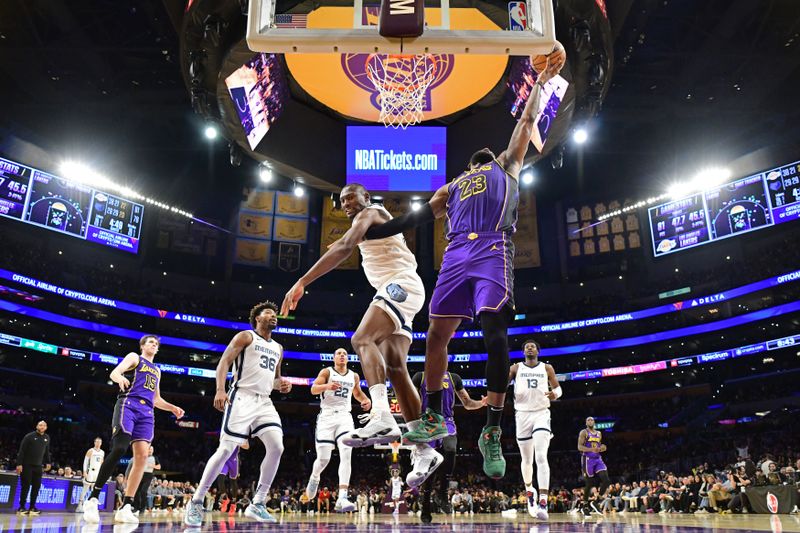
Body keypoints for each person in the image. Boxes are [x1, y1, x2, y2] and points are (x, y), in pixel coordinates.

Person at [361, 52, 566, 480]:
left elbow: (526, 124)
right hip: (455, 253)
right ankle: (432, 413)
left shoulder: (506, 165)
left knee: (495, 331)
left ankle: (491, 429)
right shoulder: (452, 186)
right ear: (473, 165)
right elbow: (416, 217)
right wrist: (380, 230)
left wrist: (543, 82)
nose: (485, 158)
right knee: (436, 337)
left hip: (492, 249)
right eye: (482, 157)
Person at [281, 183, 441, 485]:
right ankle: (423, 449)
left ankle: (382, 415)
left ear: (366, 198)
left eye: (350, 197)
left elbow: (344, 248)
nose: (345, 203)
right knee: (395, 367)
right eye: (341, 200)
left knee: (360, 339)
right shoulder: (365, 222)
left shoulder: (370, 212)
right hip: (406, 290)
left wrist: (302, 281)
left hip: (400, 285)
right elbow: (345, 242)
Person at [184, 301, 292, 526]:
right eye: (268, 313)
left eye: (275, 314)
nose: (274, 316)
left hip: (264, 401)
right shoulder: (246, 336)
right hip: (242, 396)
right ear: (257, 318)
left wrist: (282, 385)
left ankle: (258, 503)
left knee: (277, 446)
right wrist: (221, 389)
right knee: (225, 449)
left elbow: (274, 381)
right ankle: (196, 501)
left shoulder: (279, 348)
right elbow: (224, 362)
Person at [83, 335, 184, 524]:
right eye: (150, 342)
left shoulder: (157, 370)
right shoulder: (135, 358)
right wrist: (120, 377)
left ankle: (126, 506)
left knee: (143, 457)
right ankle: (92, 498)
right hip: (128, 405)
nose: (154, 345)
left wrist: (172, 408)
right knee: (120, 448)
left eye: (156, 344)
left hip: (147, 412)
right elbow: (114, 373)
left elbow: (156, 399)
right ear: (143, 346)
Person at [305, 348, 371, 512]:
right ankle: (315, 477)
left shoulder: (353, 376)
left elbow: (358, 393)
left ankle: (342, 497)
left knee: (347, 452)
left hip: (344, 417)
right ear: (334, 358)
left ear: (347, 359)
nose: (342, 355)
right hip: (326, 417)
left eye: (345, 354)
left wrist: (366, 400)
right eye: (339, 353)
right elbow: (313, 389)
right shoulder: (327, 371)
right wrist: (327, 386)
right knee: (324, 459)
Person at [412, 370, 485, 520]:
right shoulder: (420, 376)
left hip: (447, 421)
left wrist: (482, 403)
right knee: (430, 468)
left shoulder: (454, 377)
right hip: (427, 422)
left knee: (451, 449)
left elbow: (468, 403)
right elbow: (411, 402)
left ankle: (443, 491)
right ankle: (425, 505)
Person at [509, 339, 561, 520]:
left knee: (540, 456)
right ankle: (530, 490)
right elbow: (501, 385)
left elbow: (558, 389)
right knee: (527, 459)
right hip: (522, 415)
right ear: (523, 352)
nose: (529, 348)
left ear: (538, 351)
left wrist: (556, 394)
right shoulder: (515, 368)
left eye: (532, 346)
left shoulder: (547, 368)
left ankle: (544, 501)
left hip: (541, 413)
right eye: (526, 347)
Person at [16, 420, 51, 515]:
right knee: (25, 486)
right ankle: (21, 507)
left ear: (46, 427)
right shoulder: (29, 436)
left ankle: (32, 507)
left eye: (44, 425)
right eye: (40, 425)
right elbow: (22, 450)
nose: (42, 426)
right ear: (37, 426)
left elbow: (46, 451)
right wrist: (19, 464)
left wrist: (48, 462)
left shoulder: (47, 438)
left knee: (36, 487)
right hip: (26, 465)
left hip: (38, 466)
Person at [578, 416, 610, 517]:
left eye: (592, 420)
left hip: (597, 459)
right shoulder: (584, 432)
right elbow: (579, 447)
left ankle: (596, 501)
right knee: (589, 483)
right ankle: (585, 506)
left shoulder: (599, 433)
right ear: (586, 423)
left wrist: (602, 448)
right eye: (588, 420)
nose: (590, 421)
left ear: (594, 422)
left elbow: (598, 446)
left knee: (606, 480)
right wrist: (592, 450)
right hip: (587, 459)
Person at [77, 437, 104, 513]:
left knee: (94, 490)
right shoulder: (90, 451)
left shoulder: (102, 452)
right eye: (97, 442)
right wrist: (85, 471)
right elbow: (85, 461)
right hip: (90, 471)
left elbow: (102, 463)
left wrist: (101, 473)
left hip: (97, 473)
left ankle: (92, 507)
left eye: (100, 442)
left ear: (101, 443)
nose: (98, 443)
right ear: (94, 442)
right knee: (85, 489)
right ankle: (79, 506)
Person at [218, 440, 248, 505]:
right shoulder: (225, 431)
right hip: (225, 459)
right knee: (220, 478)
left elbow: (247, 447)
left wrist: (239, 443)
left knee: (233, 481)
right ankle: (225, 498)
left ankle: (233, 502)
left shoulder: (240, 435)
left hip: (233, 461)